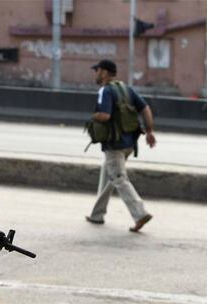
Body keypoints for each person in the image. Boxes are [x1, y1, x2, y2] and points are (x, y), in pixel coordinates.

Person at [85, 59, 156, 232]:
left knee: (118, 178)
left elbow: (105, 115)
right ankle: (97, 214)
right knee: (108, 174)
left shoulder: (105, 90)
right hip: (129, 143)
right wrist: (149, 131)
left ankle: (140, 213)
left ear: (104, 72)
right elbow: (145, 108)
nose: (96, 74)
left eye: (98, 70)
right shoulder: (126, 88)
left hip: (114, 143)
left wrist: (93, 117)